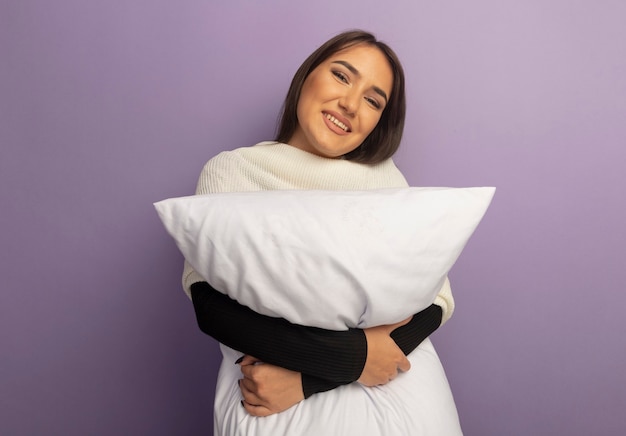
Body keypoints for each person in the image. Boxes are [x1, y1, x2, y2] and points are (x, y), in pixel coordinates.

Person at [183, 30, 459, 434]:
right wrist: (355, 358)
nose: (350, 104)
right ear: (307, 75)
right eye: (342, 76)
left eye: (372, 100)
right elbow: (212, 310)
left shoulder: (386, 180)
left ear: (379, 121)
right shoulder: (233, 171)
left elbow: (434, 304)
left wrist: (310, 378)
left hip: (403, 398)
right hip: (268, 401)